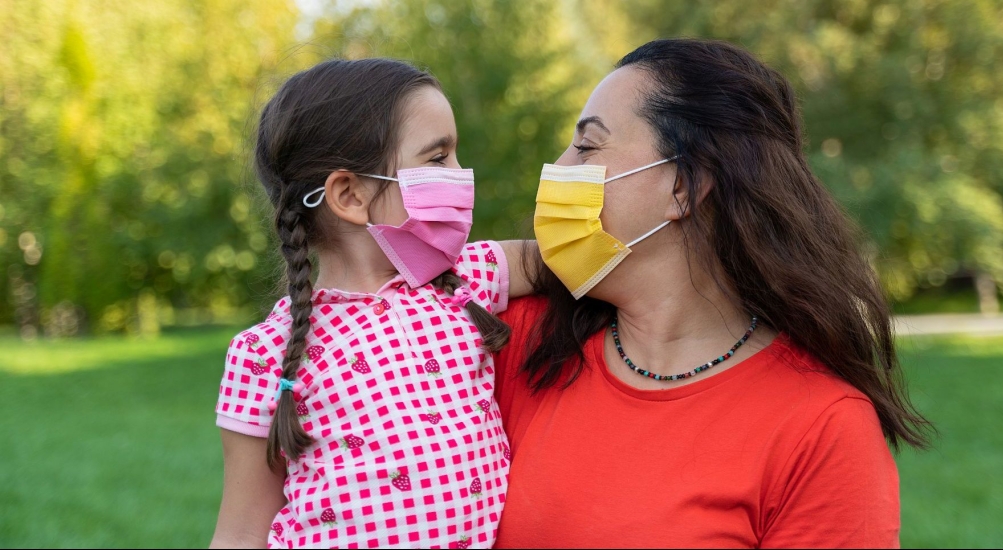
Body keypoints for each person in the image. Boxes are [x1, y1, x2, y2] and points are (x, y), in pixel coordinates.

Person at [492, 38, 931, 548]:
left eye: (588, 146)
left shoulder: (822, 428)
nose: (559, 169)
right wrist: (507, 265)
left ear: (685, 184)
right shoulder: (513, 340)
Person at [208, 58, 528, 549]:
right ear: (350, 194)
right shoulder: (264, 353)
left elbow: (570, 257)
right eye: (438, 158)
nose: (462, 177)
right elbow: (242, 530)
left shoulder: (470, 278)